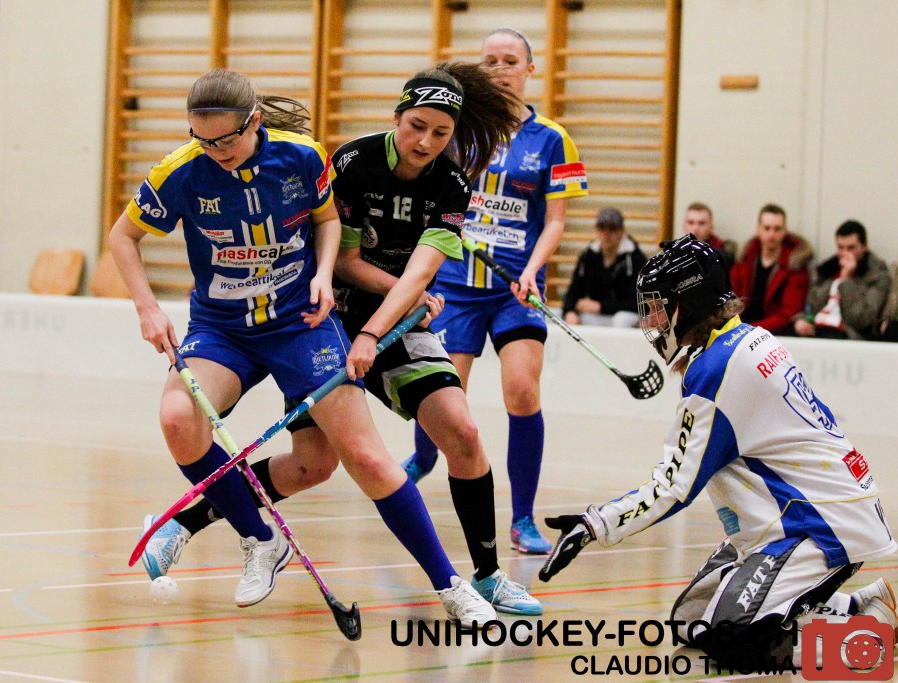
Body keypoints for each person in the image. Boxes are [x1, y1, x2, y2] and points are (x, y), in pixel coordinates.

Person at [139, 63, 544, 616]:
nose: (425, 142)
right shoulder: (351, 162)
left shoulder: (451, 184)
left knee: (464, 433)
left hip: (393, 324)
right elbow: (345, 261)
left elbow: (421, 273)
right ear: (396, 116)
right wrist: (388, 308)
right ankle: (198, 520)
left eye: (440, 133)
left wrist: (388, 319)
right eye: (416, 126)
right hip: (326, 321)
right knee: (313, 464)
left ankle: (488, 576)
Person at [537, 234, 896, 669]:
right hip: (795, 516)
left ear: (687, 304)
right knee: (691, 622)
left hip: (818, 524)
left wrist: (594, 524)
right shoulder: (744, 339)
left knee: (735, 643)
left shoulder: (718, 369)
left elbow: (674, 488)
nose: (651, 321)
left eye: (658, 307)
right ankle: (857, 605)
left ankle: (871, 639)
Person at [403, 27, 589, 556]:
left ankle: (523, 518)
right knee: (442, 396)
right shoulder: (455, 131)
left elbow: (555, 220)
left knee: (522, 391)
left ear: (531, 70)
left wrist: (532, 270)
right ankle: (423, 458)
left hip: (515, 287)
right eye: (490, 61)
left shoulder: (552, 138)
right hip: (457, 285)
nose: (500, 69)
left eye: (510, 60)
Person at [792, 220, 890, 340]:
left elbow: (861, 320)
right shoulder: (827, 270)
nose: (845, 253)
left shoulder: (876, 275)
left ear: (864, 247)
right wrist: (800, 320)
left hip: (845, 334)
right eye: (840, 248)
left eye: (851, 248)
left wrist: (846, 280)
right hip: (817, 328)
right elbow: (811, 306)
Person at [730, 204, 811, 335]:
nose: (772, 234)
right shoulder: (745, 258)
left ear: (785, 231)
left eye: (777, 229)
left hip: (776, 333)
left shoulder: (795, 266)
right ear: (758, 230)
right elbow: (731, 296)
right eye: (767, 228)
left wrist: (749, 330)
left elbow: (789, 313)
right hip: (741, 328)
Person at [562, 206, 646, 327]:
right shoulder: (588, 256)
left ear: (621, 231)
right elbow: (573, 291)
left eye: (612, 228)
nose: (607, 234)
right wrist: (569, 311)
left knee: (621, 320)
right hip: (599, 315)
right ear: (596, 230)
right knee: (566, 317)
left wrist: (600, 307)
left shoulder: (635, 259)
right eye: (602, 228)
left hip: (626, 314)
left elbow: (638, 302)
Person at [682, 201, 735, 271]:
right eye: (691, 223)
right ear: (684, 226)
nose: (696, 228)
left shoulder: (722, 254)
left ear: (711, 226)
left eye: (701, 223)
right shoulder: (675, 252)